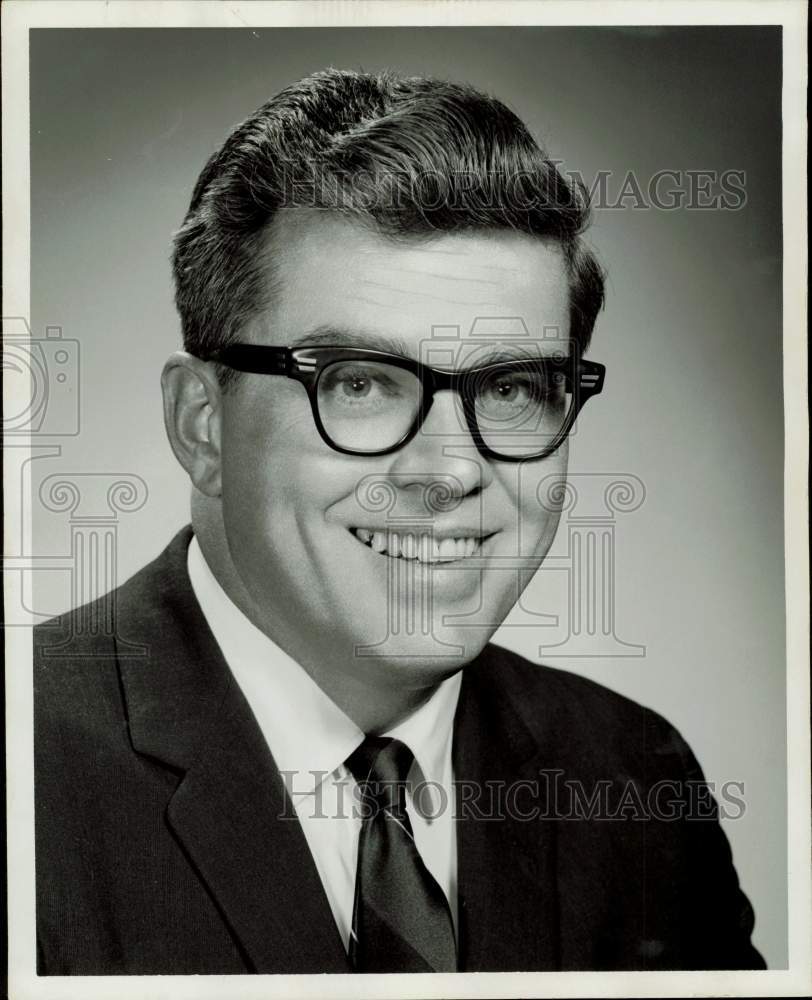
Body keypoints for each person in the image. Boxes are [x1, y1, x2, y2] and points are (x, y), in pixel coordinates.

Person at [34, 68, 765, 975]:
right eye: (362, 382)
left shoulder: (633, 779)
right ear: (203, 424)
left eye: (510, 388)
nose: (453, 471)